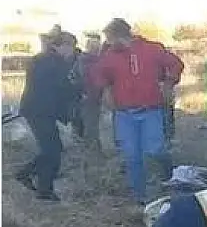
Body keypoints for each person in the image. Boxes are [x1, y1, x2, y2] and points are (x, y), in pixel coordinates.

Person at [89, 18, 183, 204]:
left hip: (151, 110)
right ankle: (139, 196)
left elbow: (176, 64)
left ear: (119, 36)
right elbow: (98, 74)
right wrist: (106, 90)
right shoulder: (109, 56)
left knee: (154, 150)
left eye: (109, 38)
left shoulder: (152, 49)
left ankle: (167, 169)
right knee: (132, 155)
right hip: (124, 113)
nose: (107, 42)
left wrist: (169, 83)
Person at [16, 31, 79, 201]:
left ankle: (36, 182)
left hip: (36, 110)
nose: (73, 51)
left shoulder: (42, 59)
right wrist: (78, 90)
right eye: (72, 47)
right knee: (53, 150)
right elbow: (61, 87)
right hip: (41, 111)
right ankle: (40, 186)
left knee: (52, 149)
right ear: (64, 46)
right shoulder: (54, 62)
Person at [74, 33, 103, 151]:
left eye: (97, 47)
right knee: (91, 125)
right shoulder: (84, 61)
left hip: (96, 96)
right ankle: (92, 150)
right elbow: (81, 79)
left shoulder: (94, 60)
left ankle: (92, 148)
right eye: (94, 47)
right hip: (88, 97)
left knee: (93, 124)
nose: (96, 49)